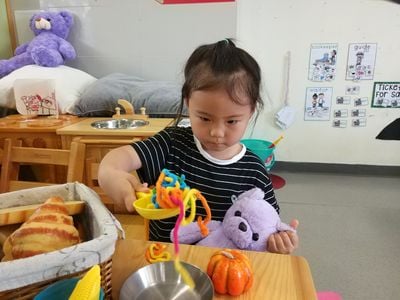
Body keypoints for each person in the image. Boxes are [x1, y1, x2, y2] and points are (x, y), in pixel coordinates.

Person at [98, 39, 299, 254]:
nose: (217, 132)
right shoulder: (171, 143)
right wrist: (110, 173)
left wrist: (279, 241)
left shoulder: (254, 171)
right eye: (204, 118)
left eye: (231, 121)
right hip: (167, 265)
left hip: (230, 270)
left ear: (251, 111)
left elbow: (268, 227)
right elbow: (119, 158)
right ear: (188, 102)